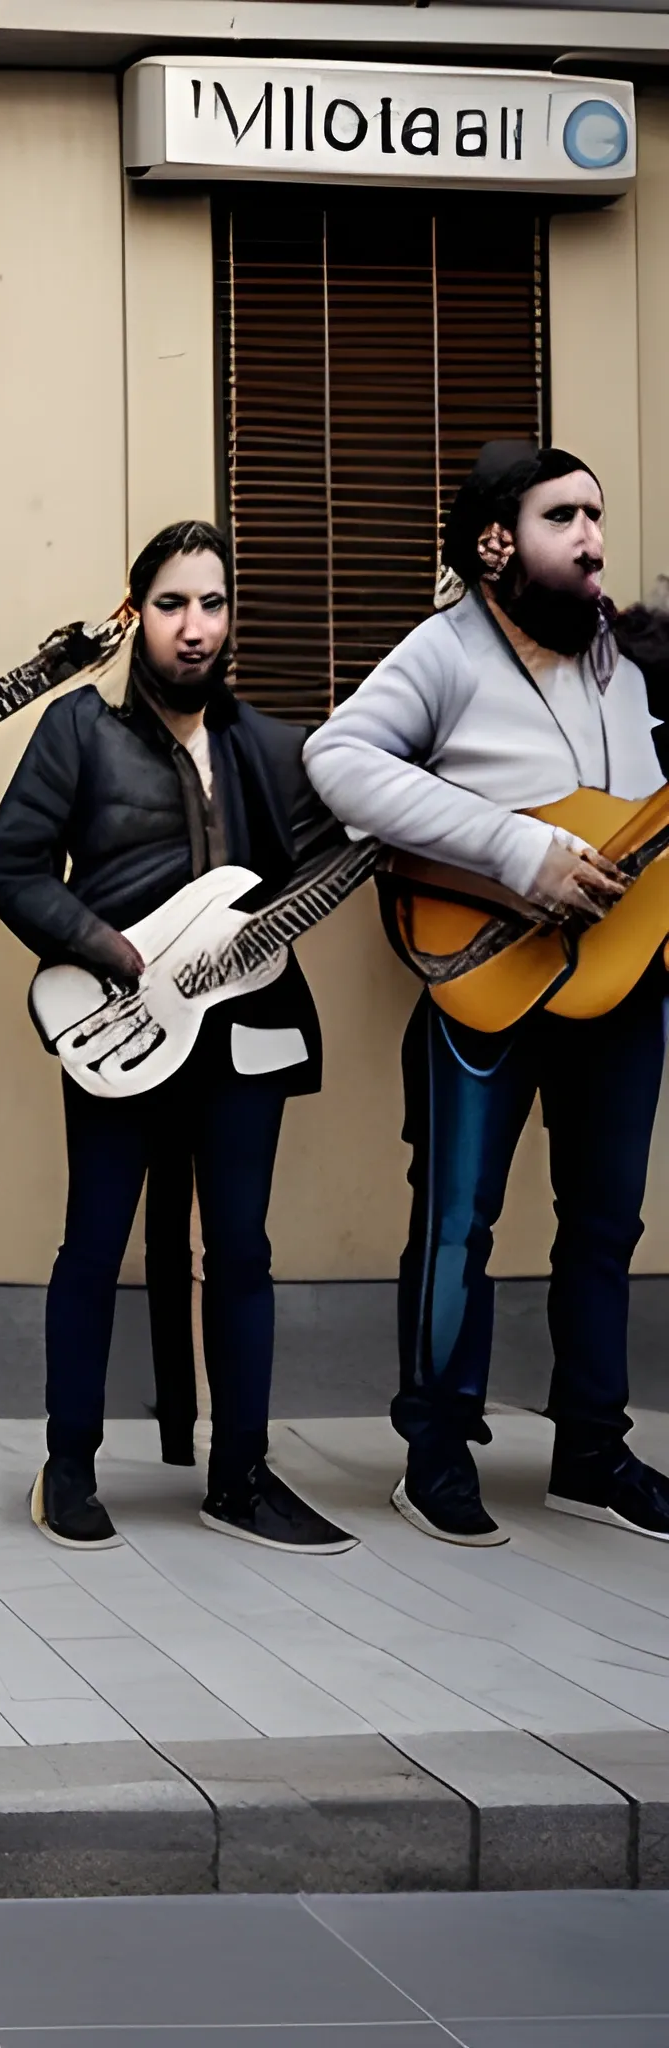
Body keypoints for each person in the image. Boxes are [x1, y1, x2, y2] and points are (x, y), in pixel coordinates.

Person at [305, 442, 669, 1546]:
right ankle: (433, 1449)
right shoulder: (442, 651)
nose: (591, 538)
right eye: (562, 516)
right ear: (494, 542)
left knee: (604, 1224)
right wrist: (517, 850)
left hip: (622, 983)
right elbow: (340, 759)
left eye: (595, 516)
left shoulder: (634, 660)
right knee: (457, 1220)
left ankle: (589, 1450)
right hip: (486, 984)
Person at [0, 521, 355, 1554]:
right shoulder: (74, 731)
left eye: (212, 604)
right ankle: (67, 1466)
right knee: (92, 1245)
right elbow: (7, 868)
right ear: (133, 613)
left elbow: (328, 863)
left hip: (244, 1032)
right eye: (171, 604)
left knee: (240, 1250)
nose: (194, 628)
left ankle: (240, 1475)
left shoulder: (277, 749)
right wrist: (109, 950)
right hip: (118, 1026)